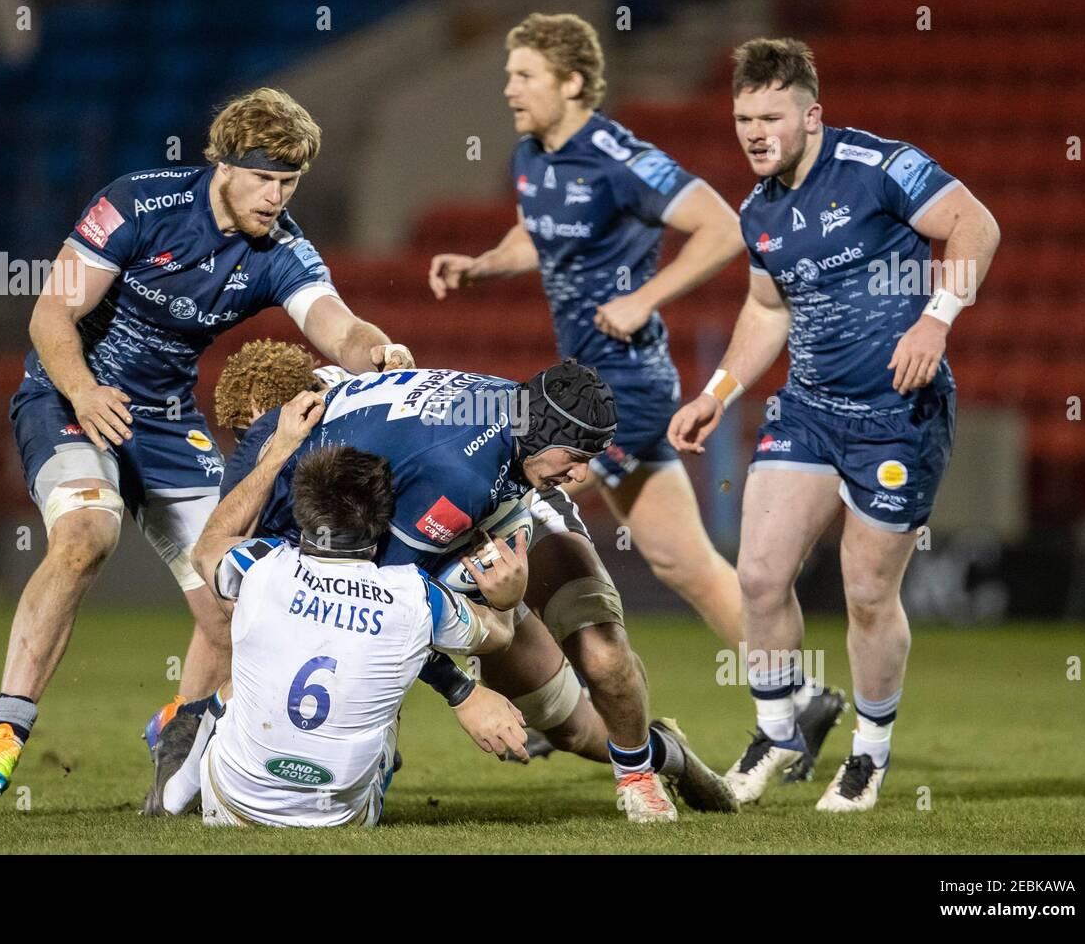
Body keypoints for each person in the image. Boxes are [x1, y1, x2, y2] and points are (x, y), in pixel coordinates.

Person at [427, 12, 847, 782]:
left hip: (623, 388)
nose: (510, 88)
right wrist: (486, 263)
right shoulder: (532, 155)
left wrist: (642, 298)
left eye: (524, 75)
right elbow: (540, 232)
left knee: (524, 514)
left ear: (573, 83)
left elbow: (720, 227)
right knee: (684, 562)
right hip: (586, 389)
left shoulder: (616, 155)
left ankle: (554, 695)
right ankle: (799, 697)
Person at [0, 87, 412, 795]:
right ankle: (7, 723)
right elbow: (51, 313)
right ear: (223, 165)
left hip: (167, 421)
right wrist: (82, 390)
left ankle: (180, 722)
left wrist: (381, 351)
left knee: (235, 597)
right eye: (264, 178)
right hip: (70, 396)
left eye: (289, 182)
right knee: (86, 533)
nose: (276, 196)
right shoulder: (139, 204)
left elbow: (337, 325)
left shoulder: (281, 249)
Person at [668, 38, 1000, 811]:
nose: (754, 131)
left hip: (897, 416)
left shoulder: (879, 167)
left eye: (770, 116)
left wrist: (936, 320)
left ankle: (870, 754)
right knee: (756, 574)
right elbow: (764, 307)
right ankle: (777, 728)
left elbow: (976, 225)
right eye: (743, 117)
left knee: (866, 592)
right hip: (811, 410)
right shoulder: (759, 211)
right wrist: (717, 391)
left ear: (811, 115)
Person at [211, 352, 738, 821]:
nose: (582, 475)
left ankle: (638, 776)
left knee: (604, 657)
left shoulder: (513, 426)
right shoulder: (453, 473)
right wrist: (464, 687)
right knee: (569, 726)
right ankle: (666, 753)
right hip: (444, 530)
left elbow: (390, 595)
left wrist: (467, 683)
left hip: (508, 509)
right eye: (575, 458)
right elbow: (388, 600)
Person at [174, 391, 523, 827]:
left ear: (303, 513)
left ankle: (171, 794)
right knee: (382, 682)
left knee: (245, 682)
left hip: (230, 803)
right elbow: (499, 635)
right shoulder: (414, 594)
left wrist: (280, 449)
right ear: (382, 525)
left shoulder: (263, 566)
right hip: (342, 819)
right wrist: (506, 600)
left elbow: (206, 549)